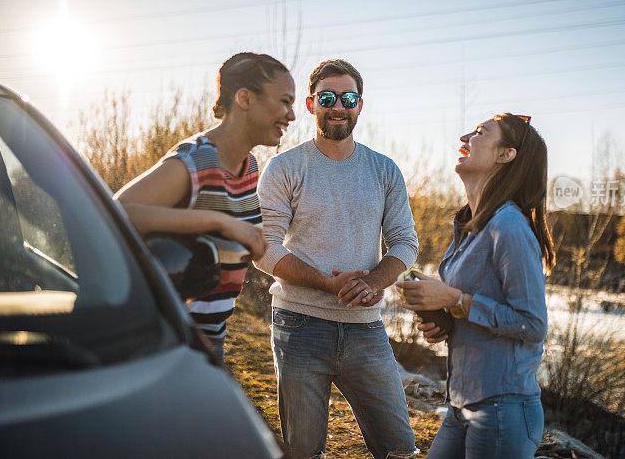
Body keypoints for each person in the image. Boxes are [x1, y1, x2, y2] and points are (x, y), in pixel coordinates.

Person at [254, 59, 418, 459]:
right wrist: (327, 283)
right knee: (304, 452)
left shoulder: (384, 170)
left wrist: (373, 282)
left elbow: (405, 243)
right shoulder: (284, 167)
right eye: (328, 98)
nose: (338, 107)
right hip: (299, 325)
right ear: (311, 105)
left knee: (400, 449)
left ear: (360, 105)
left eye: (348, 98)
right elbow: (264, 248)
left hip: (366, 328)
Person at [116, 52, 296, 360]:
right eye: (284, 102)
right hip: (163, 350)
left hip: (209, 346)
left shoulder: (250, 166)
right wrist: (219, 222)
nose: (291, 116)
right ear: (244, 98)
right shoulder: (196, 160)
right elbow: (119, 212)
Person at [396, 113, 554, 459]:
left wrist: (455, 298)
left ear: (505, 154)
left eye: (480, 132)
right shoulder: (469, 226)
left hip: (502, 409)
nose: (465, 136)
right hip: (460, 403)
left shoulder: (508, 227)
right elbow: (473, 306)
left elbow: (532, 324)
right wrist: (444, 317)